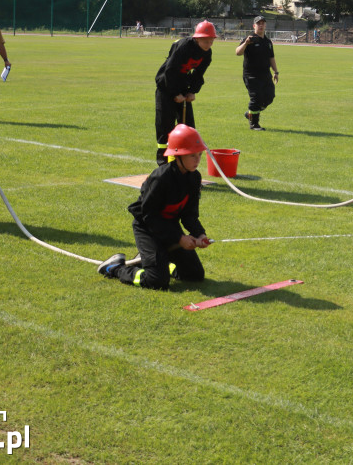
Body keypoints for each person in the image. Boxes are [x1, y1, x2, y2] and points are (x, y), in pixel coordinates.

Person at [97, 124, 212, 290]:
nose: (197, 160)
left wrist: (200, 234)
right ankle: (115, 268)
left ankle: (159, 262)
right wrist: (179, 238)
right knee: (157, 281)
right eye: (192, 155)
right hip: (147, 228)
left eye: (199, 154)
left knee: (194, 275)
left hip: (169, 228)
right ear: (178, 155)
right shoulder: (160, 178)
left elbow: (189, 214)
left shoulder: (194, 178)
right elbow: (149, 216)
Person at [154, 21, 215, 165]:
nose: (208, 44)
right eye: (205, 41)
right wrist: (175, 93)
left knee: (188, 127)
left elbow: (199, 74)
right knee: (165, 127)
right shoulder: (184, 47)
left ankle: (184, 163)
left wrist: (192, 91)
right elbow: (170, 71)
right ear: (197, 38)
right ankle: (164, 164)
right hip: (166, 87)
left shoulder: (207, 54)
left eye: (211, 41)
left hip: (182, 88)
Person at [235, 15, 279, 131]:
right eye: (258, 23)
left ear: (265, 25)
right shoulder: (249, 39)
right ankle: (254, 124)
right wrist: (246, 43)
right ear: (254, 26)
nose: (261, 25)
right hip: (251, 75)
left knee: (270, 96)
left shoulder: (268, 41)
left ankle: (250, 114)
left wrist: (276, 71)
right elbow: (238, 52)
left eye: (263, 23)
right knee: (256, 98)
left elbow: (271, 57)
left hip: (266, 75)